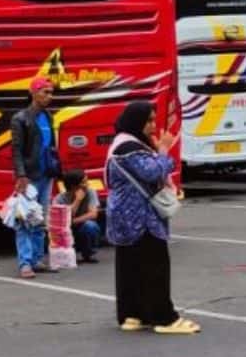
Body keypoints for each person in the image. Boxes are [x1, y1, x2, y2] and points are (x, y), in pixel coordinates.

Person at [105, 101, 197, 334]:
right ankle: (164, 318)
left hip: (123, 215)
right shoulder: (129, 148)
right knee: (155, 265)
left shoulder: (122, 143)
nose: (153, 126)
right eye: (149, 121)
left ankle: (132, 314)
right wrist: (165, 150)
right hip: (140, 217)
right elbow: (152, 171)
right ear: (137, 122)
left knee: (130, 266)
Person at [8, 76, 62, 211]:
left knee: (43, 216)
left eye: (51, 93)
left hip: (47, 175)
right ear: (33, 93)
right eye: (45, 92)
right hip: (30, 177)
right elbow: (17, 150)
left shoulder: (49, 116)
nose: (50, 96)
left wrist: (56, 169)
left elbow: (51, 146)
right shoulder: (20, 119)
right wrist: (21, 175)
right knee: (28, 218)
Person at [5, 183, 47, 278]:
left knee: (39, 221)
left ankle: (35, 260)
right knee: (23, 224)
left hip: (46, 176)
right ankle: (25, 264)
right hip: (27, 179)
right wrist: (21, 176)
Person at [61, 169, 102, 264]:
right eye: (84, 182)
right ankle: (69, 255)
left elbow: (93, 214)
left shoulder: (90, 192)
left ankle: (88, 254)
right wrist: (77, 200)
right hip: (68, 231)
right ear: (73, 186)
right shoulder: (60, 198)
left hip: (81, 227)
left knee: (91, 226)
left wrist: (73, 221)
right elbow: (63, 220)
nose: (87, 185)